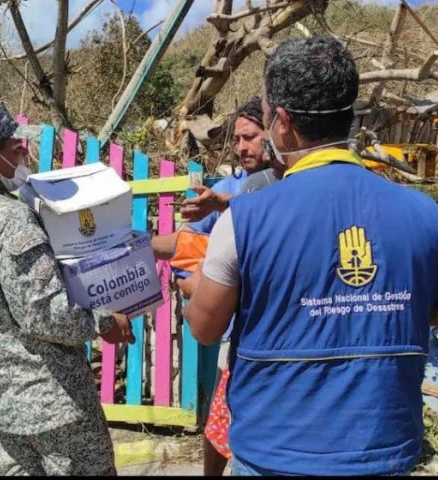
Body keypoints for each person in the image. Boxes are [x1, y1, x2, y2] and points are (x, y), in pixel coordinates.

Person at [181, 36, 438, 476]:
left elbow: (205, 328)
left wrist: (193, 288)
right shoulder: (422, 212)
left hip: (276, 453)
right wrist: (388, 308)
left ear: (282, 122)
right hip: (383, 452)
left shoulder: (245, 217)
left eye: (265, 117)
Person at [0, 101, 134, 476]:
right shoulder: (9, 218)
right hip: (50, 401)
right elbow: (47, 313)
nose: (23, 150)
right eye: (14, 145)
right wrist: (104, 321)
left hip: (3, 399)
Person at [152, 97, 273, 477]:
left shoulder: (287, 183)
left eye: (250, 137)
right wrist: (190, 279)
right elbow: (187, 244)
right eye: (237, 139)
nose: (241, 147)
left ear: (275, 132)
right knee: (222, 418)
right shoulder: (228, 186)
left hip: (277, 329)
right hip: (238, 331)